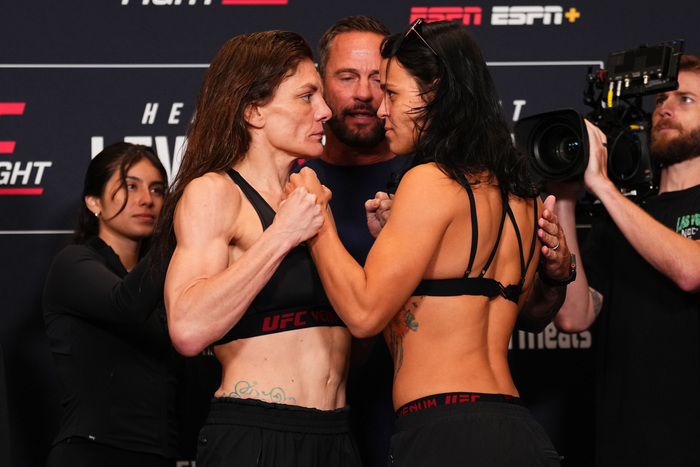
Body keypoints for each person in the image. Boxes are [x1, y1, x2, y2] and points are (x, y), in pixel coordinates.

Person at [288, 19, 566, 466]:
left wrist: (315, 217)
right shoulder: (519, 192)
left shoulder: (428, 181)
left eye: (392, 94)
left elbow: (363, 314)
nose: (382, 110)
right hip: (516, 429)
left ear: (435, 95)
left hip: (447, 433)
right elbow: (525, 312)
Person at [150, 31, 362, 466]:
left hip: (335, 436)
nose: (325, 111)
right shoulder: (215, 193)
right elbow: (187, 329)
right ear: (254, 111)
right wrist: (281, 235)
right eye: (306, 96)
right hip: (257, 435)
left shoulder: (310, 196)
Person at [551, 54, 700, 466]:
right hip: (623, 445)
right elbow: (574, 317)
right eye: (661, 99)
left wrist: (603, 187)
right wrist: (565, 199)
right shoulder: (617, 220)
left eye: (686, 99)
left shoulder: (616, 206)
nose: (665, 107)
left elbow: (690, 271)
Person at [293, 16, 410, 467]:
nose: (364, 93)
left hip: (407, 418)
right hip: (308, 419)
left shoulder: (427, 180)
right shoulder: (290, 182)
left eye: (378, 79)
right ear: (320, 85)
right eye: (347, 77)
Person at [42, 142, 178, 467]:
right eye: (130, 186)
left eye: (157, 189)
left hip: (159, 455)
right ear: (94, 202)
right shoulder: (72, 264)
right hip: (92, 453)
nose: (147, 199)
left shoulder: (169, 275)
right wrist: (179, 232)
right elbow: (126, 304)